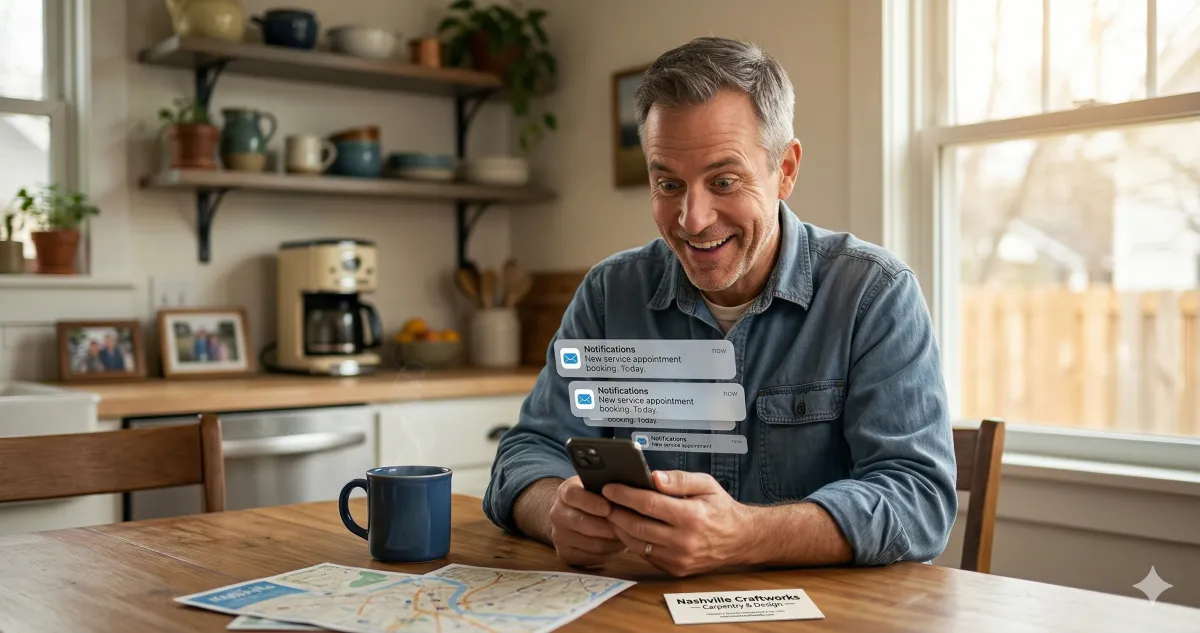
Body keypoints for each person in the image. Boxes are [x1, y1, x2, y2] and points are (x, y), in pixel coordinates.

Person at [483, 37, 957, 577]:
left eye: (724, 181)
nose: (692, 219)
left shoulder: (874, 294)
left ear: (786, 169)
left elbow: (919, 500)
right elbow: (525, 454)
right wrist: (553, 511)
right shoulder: (610, 294)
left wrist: (744, 536)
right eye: (668, 183)